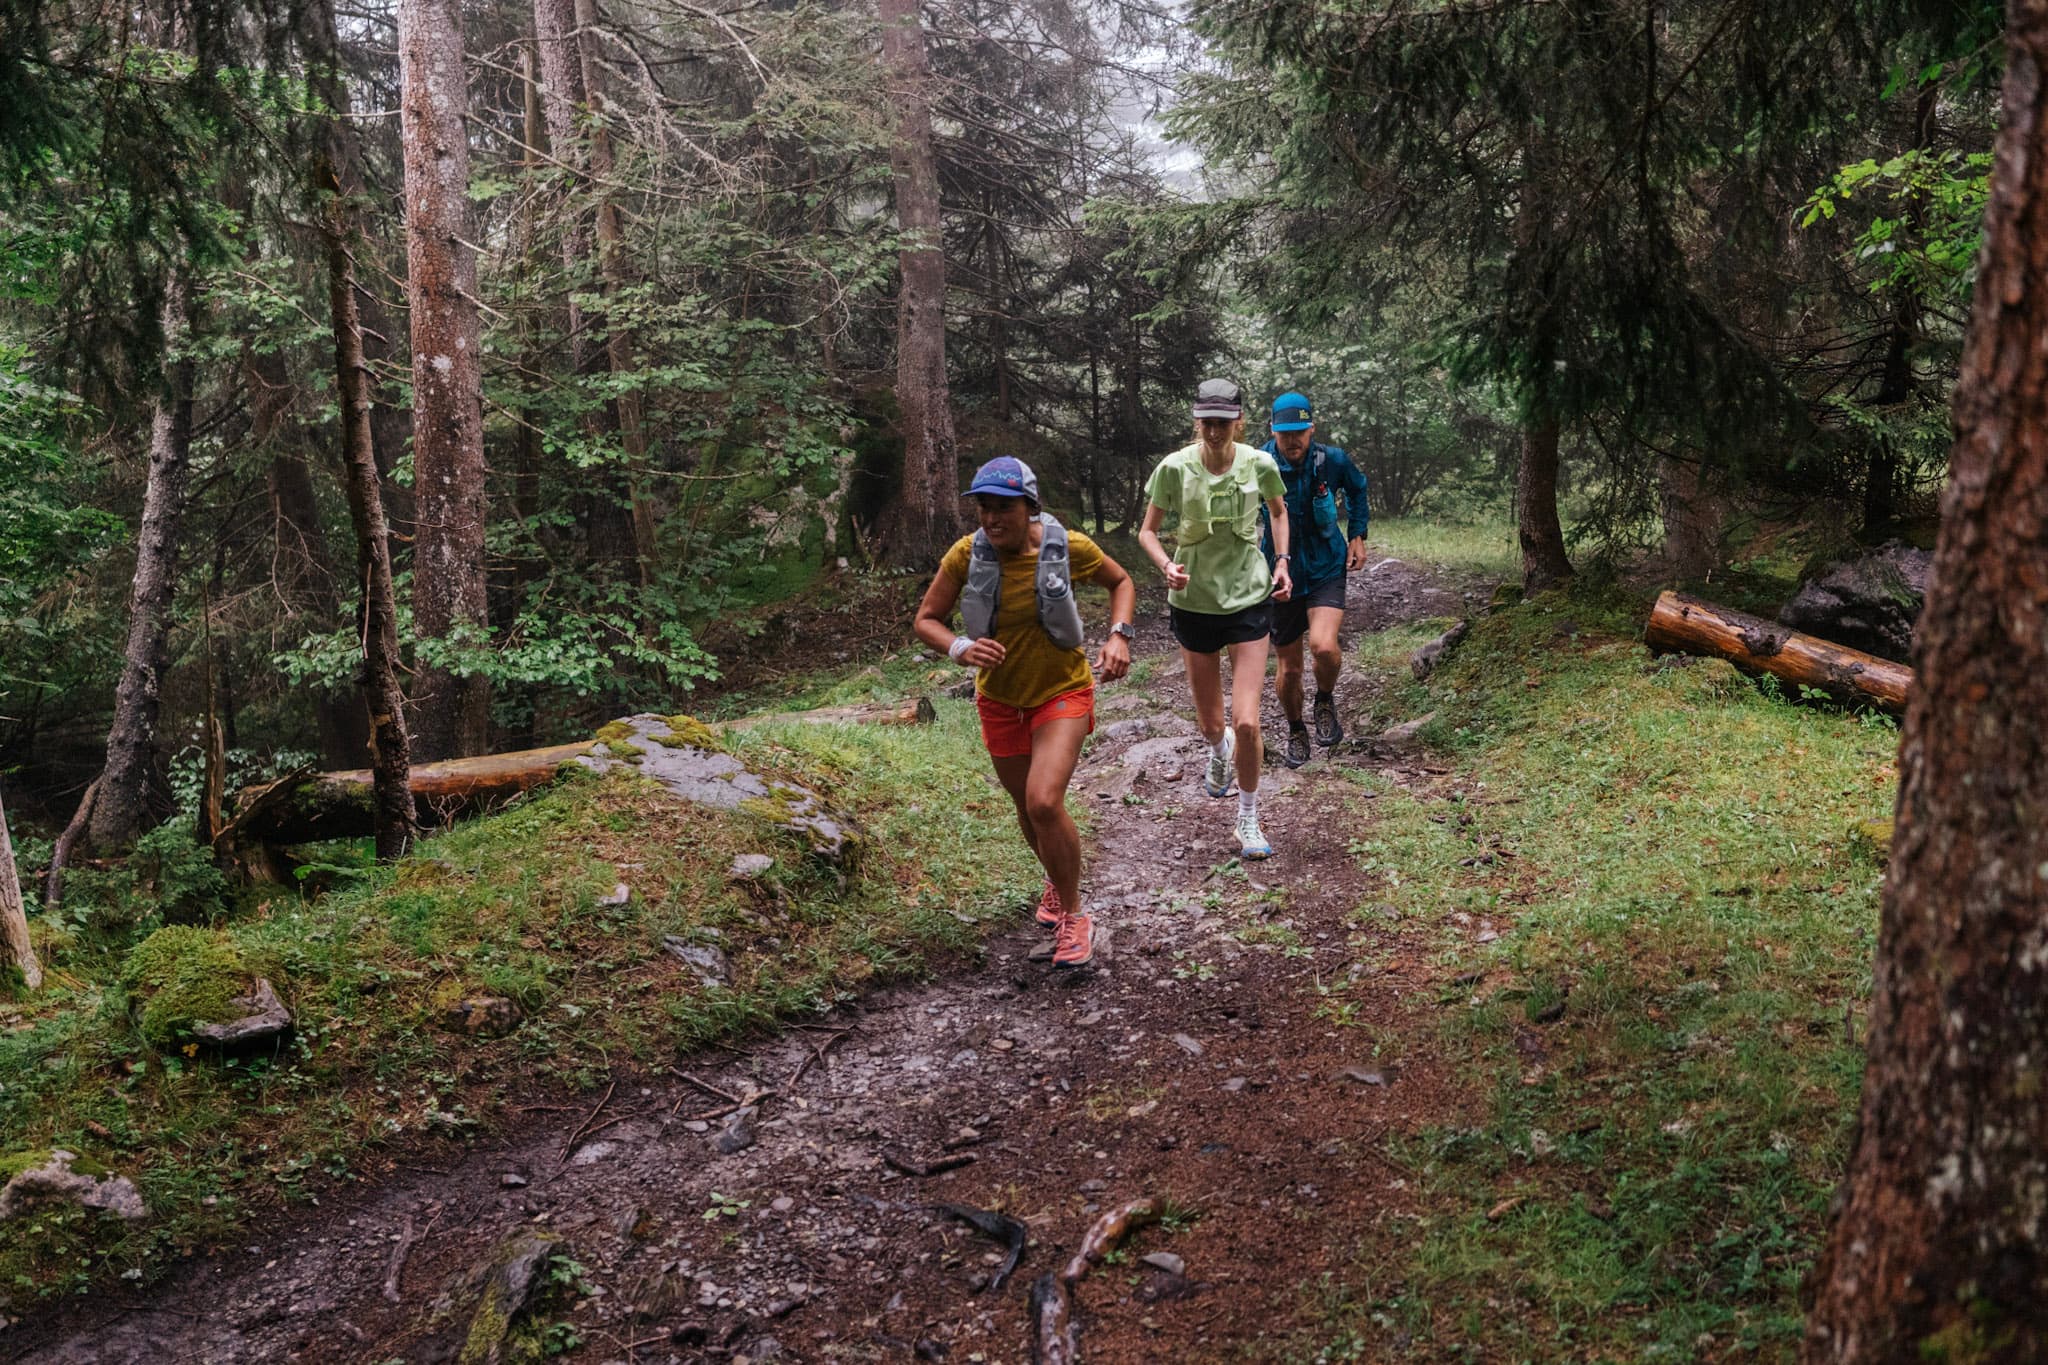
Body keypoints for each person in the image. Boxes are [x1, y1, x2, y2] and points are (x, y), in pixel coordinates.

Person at [914, 457, 1136, 968]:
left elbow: (1121, 581)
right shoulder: (965, 555)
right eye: (984, 508)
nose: (992, 519)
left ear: (1029, 507)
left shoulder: (1067, 548)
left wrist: (1119, 636)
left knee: (1042, 801)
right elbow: (927, 620)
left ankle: (1075, 917)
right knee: (1025, 808)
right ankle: (1057, 884)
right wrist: (959, 648)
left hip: (1063, 693)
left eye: (1003, 508)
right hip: (1000, 701)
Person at [1137, 378, 1292, 860]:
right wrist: (1166, 565)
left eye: (1223, 422)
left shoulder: (1260, 464)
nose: (1214, 430)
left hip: (1249, 596)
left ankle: (1248, 817)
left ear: (1238, 422)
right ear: (1196, 421)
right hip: (1194, 603)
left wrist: (1282, 561)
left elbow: (1279, 512)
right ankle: (1218, 749)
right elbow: (1147, 531)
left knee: (1248, 721)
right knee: (1213, 725)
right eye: (1207, 421)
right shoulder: (1173, 469)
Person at [1259, 391, 1370, 766]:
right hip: (1279, 573)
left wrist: (1357, 533)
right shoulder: (1258, 464)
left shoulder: (1332, 460)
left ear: (1312, 429)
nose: (1293, 441)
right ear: (1272, 431)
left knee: (1323, 646)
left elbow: (1357, 487)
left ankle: (1324, 699)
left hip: (1325, 565)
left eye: (1300, 432)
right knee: (1288, 668)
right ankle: (1295, 727)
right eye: (1285, 433)